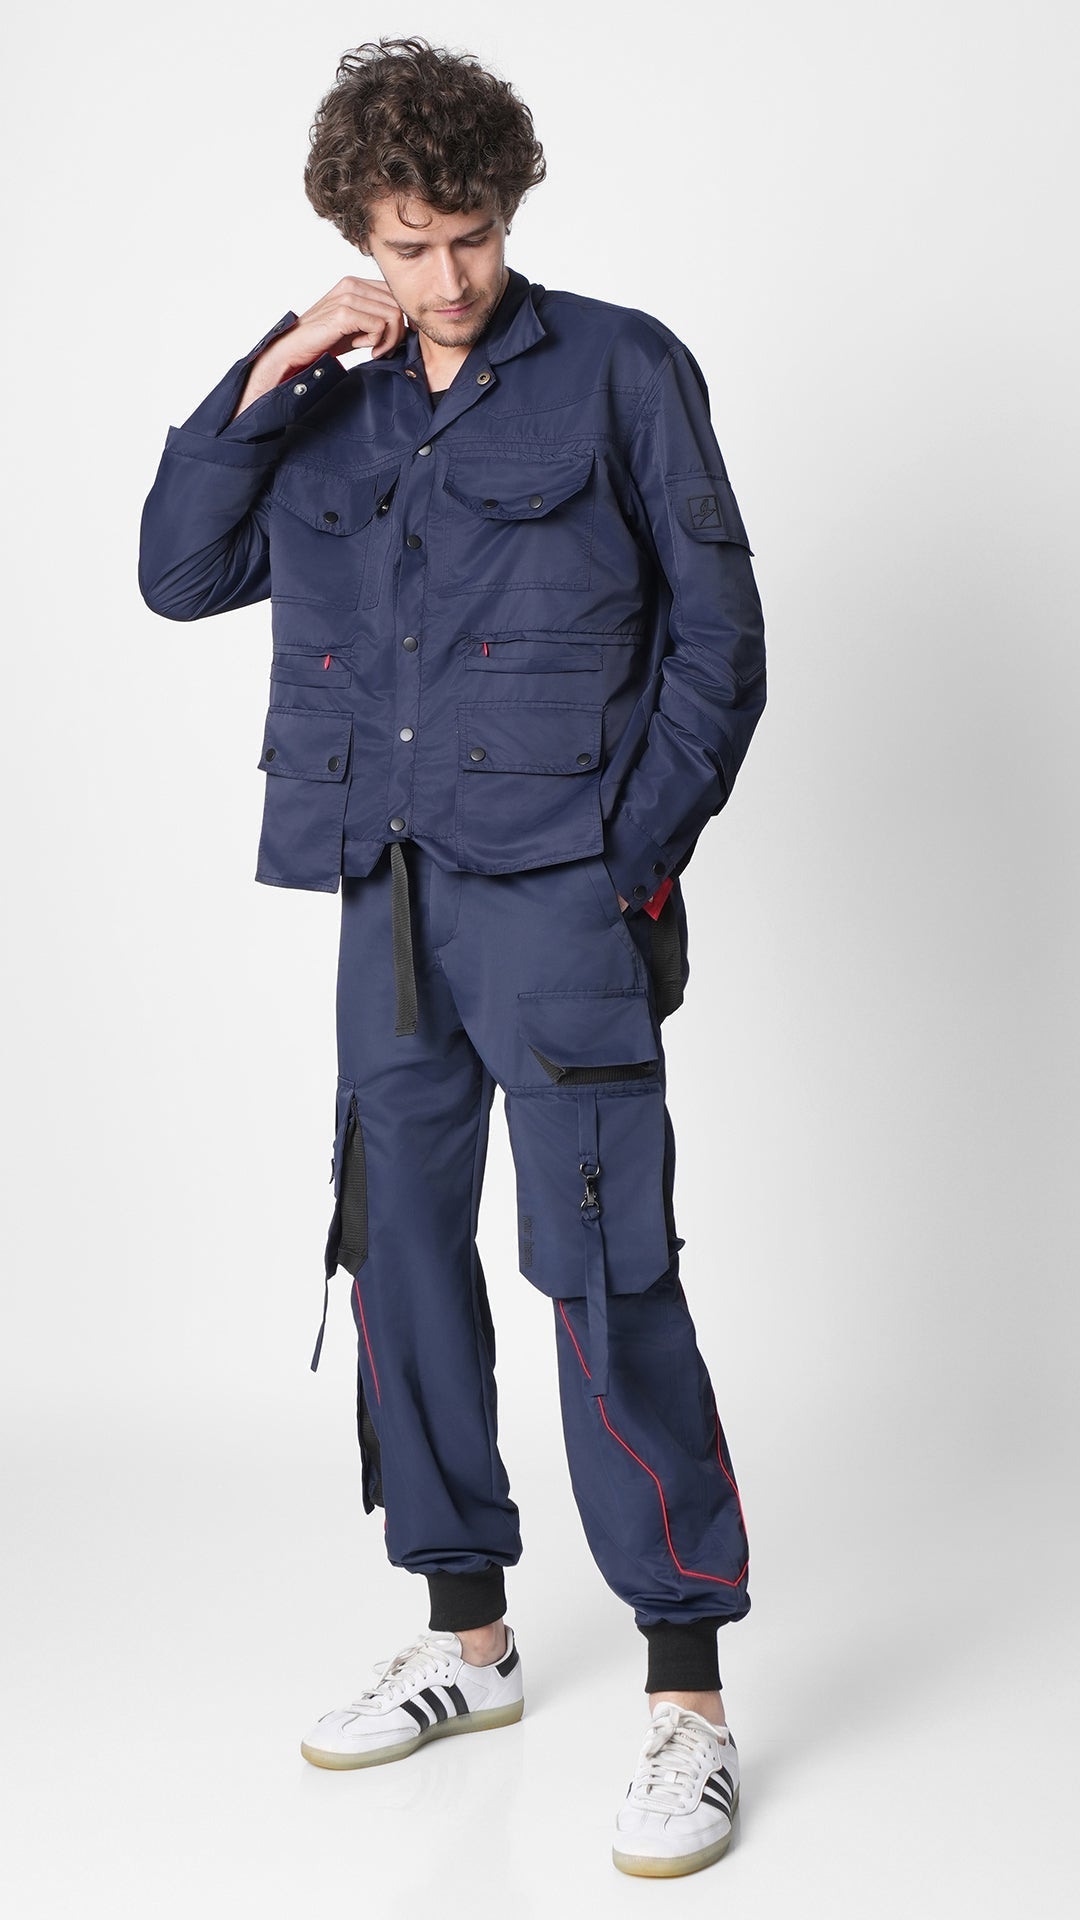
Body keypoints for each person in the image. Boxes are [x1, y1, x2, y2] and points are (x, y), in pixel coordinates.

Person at [138, 34, 766, 1880]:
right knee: (399, 1262)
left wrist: (623, 861)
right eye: (410, 245)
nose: (449, 274)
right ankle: (468, 1641)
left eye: (472, 234)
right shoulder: (325, 405)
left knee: (603, 1270)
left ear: (512, 207)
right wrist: (271, 367)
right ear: (358, 234)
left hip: (559, 903)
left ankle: (687, 1701)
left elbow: (722, 644)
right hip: (388, 898)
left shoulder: (622, 370)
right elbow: (177, 571)